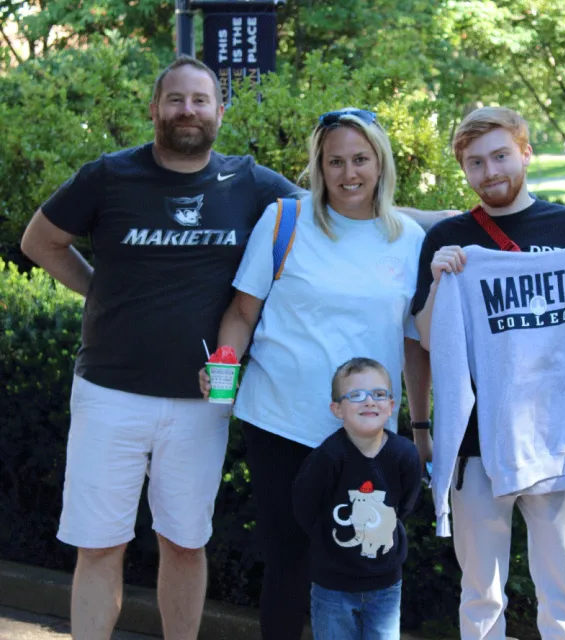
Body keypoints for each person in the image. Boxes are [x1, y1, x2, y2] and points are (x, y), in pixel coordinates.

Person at [18, 55, 446, 639]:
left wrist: (464, 225)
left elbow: (349, 209)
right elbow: (39, 241)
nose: (188, 111)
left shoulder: (250, 184)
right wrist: (101, 291)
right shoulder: (108, 175)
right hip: (109, 393)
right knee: (99, 546)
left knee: (186, 544)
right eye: (176, 100)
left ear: (221, 111)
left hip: (202, 408)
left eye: (200, 100)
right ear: (154, 109)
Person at [199, 107, 432, 639]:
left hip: (367, 436)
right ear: (318, 167)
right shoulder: (285, 220)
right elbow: (241, 313)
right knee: (289, 566)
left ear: (381, 163)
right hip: (282, 422)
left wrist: (417, 429)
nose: (349, 173)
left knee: (364, 569)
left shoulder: (410, 241)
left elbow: (413, 347)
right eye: (335, 162)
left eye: (360, 159)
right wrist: (223, 369)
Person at [412, 106, 565, 640]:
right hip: (477, 441)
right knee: (481, 597)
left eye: (499, 155)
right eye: (475, 162)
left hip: (558, 437)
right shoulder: (450, 238)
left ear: (525, 152)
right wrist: (440, 281)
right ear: (464, 169)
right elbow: (425, 337)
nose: (489, 171)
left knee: (564, 594)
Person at [292, 357, 422, 640]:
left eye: (378, 394)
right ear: (337, 409)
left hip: (386, 585)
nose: (369, 402)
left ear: (391, 406)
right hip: (332, 585)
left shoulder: (405, 455)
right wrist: (328, 542)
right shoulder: (328, 457)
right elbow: (305, 506)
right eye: (356, 395)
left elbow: (405, 504)